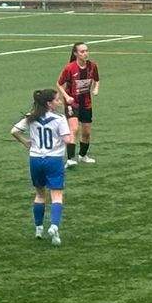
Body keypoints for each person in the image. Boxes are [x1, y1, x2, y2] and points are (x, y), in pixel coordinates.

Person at [9, 87, 71, 245]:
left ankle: (38, 228)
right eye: (57, 100)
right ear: (49, 103)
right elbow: (68, 140)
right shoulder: (59, 119)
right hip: (54, 160)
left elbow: (14, 131)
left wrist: (26, 142)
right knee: (56, 195)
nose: (59, 102)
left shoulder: (32, 117)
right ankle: (54, 225)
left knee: (39, 194)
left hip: (35, 160)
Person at [55, 41, 99, 165]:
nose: (85, 53)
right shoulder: (70, 68)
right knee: (74, 129)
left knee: (86, 132)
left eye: (86, 51)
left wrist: (96, 89)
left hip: (86, 103)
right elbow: (59, 84)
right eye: (82, 51)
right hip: (72, 103)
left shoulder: (92, 66)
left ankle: (83, 156)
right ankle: (70, 159)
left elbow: (96, 80)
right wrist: (67, 96)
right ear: (76, 53)